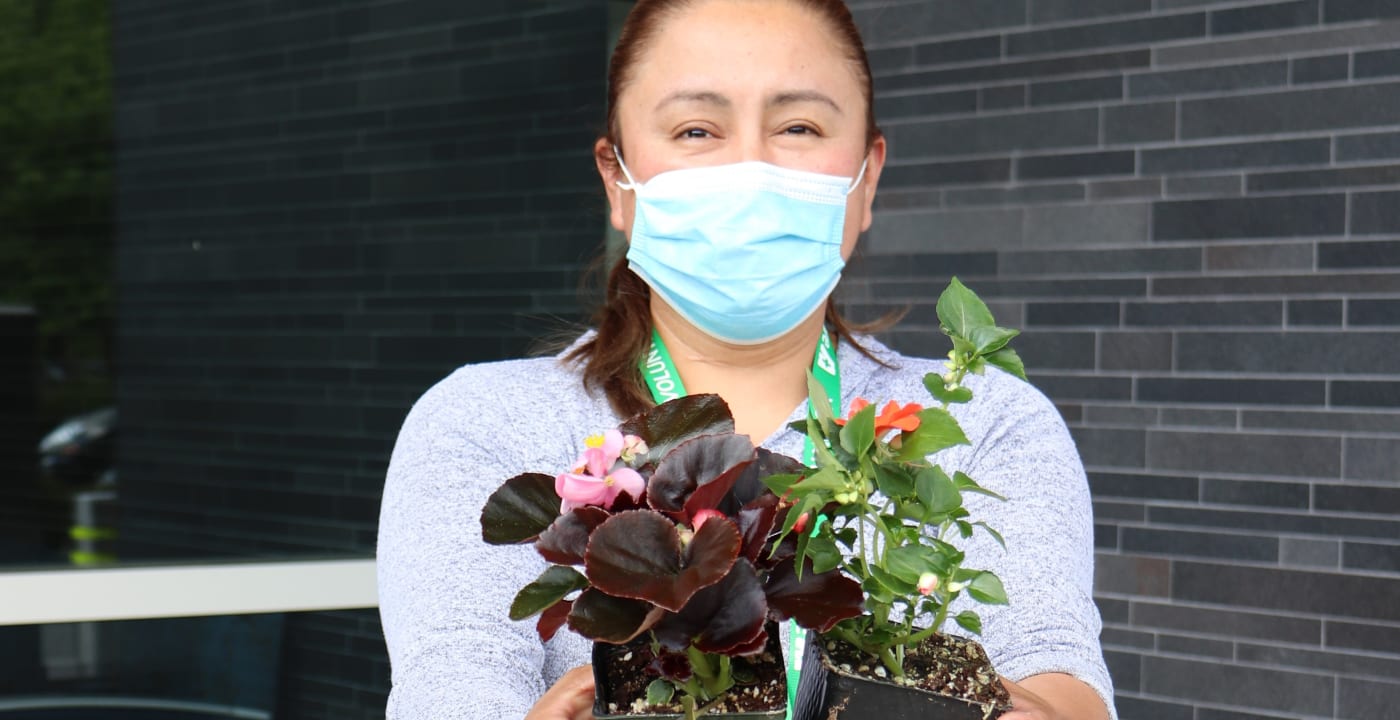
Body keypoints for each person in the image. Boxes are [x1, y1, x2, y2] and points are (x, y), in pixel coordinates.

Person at [376, 1, 1116, 719]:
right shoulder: (485, 423)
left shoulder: (980, 422)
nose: (751, 171)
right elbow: (454, 675)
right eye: (697, 129)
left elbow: (1055, 662)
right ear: (617, 179)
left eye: (799, 126)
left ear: (867, 177)